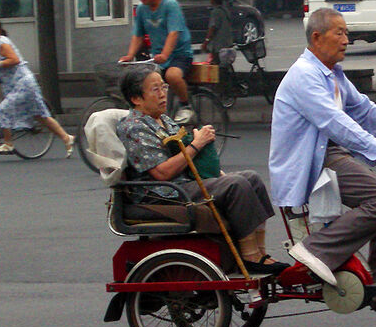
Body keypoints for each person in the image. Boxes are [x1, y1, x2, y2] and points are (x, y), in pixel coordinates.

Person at [269, 7, 376, 313]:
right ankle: (315, 250)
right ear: (317, 37)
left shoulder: (333, 75)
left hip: (330, 154)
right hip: (310, 161)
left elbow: (365, 111)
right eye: (339, 33)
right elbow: (334, 121)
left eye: (346, 34)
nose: (346, 40)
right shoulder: (304, 75)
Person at [116, 65, 287, 274]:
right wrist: (197, 144)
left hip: (183, 182)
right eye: (155, 89)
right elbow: (162, 173)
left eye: (163, 87)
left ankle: (260, 252)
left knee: (252, 178)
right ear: (136, 98)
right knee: (236, 185)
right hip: (163, 193)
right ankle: (250, 256)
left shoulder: (163, 119)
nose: (162, 94)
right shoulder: (134, 127)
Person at [0, 17, 75, 157]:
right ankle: (67, 138)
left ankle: (8, 143)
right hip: (13, 85)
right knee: (40, 115)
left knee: (3, 110)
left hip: (23, 83)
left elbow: (15, 60)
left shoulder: (3, 43)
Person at [120, 0, 196, 124]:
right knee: (146, 84)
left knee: (172, 76)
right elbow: (138, 35)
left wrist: (165, 54)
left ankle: (186, 105)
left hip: (179, 54)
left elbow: (173, 33)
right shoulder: (142, 9)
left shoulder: (170, 5)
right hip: (157, 57)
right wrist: (129, 55)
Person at [201, 0, 236, 69]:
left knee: (216, 67)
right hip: (227, 44)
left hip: (218, 46)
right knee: (225, 66)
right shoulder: (225, 10)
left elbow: (212, 28)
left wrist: (206, 42)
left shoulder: (216, 12)